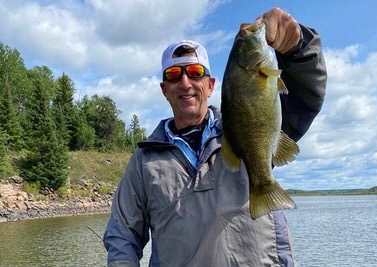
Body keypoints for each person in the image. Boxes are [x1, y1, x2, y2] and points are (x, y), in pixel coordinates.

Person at [103, 7, 327, 267]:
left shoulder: (240, 126)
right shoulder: (144, 161)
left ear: (210, 85)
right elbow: (122, 235)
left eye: (195, 72)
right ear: (165, 90)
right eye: (175, 75)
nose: (185, 83)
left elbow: (308, 95)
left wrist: (298, 46)